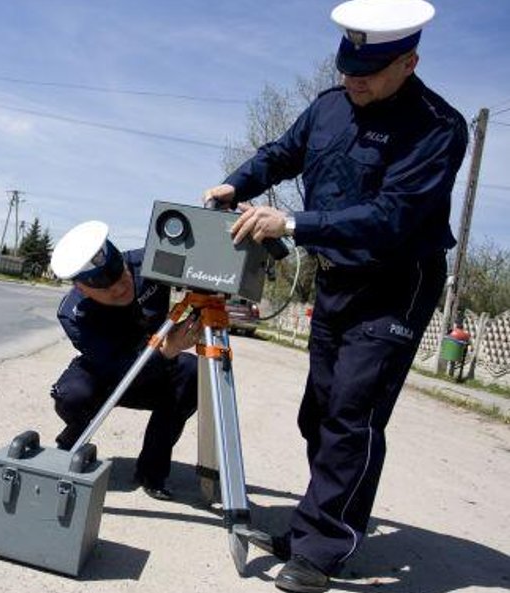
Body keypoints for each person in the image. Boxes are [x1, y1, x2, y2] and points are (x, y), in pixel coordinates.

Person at [202, 1, 468, 591]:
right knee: (318, 414)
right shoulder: (329, 104)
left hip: (397, 282)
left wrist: (291, 225)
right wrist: (236, 182)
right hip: (339, 279)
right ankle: (319, 523)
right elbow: (283, 151)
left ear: (409, 62)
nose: (355, 80)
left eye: (369, 72)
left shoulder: (438, 127)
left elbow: (392, 216)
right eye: (348, 67)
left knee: (353, 413)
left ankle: (321, 549)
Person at [49, 220, 199, 501]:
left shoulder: (150, 263)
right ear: (83, 289)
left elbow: (200, 260)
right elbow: (114, 367)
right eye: (107, 289)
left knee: (191, 371)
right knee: (73, 395)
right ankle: (73, 441)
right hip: (108, 374)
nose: (120, 288)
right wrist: (166, 350)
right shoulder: (73, 313)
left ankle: (151, 471)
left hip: (156, 371)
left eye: (121, 277)